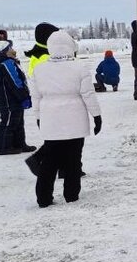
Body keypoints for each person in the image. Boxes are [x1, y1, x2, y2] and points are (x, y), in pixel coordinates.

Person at [29, 30, 101, 208]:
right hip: (74, 118)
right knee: (73, 159)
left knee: (49, 161)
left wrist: (38, 117)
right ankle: (71, 194)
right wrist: (96, 116)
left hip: (50, 119)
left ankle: (43, 197)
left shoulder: (39, 69)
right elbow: (88, 94)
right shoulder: (79, 68)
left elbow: (36, 97)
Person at [0, 40, 34, 155]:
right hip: (10, 99)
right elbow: (16, 82)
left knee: (18, 121)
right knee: (8, 121)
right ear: (5, 51)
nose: (13, 50)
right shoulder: (7, 64)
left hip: (12, 98)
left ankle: (19, 144)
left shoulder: (6, 62)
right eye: (10, 47)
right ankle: (3, 147)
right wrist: (23, 96)